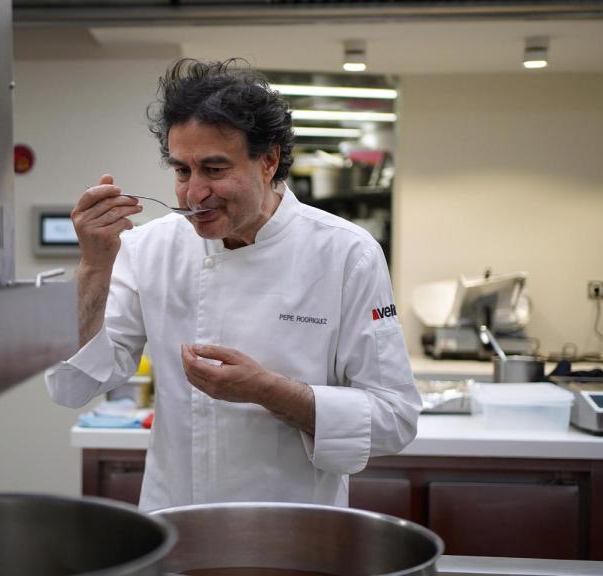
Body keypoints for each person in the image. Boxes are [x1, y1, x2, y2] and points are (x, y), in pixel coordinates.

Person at [46, 58, 420, 511]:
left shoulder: (346, 254)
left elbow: (394, 419)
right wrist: (93, 267)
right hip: (178, 521)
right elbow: (71, 387)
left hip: (295, 529)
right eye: (183, 171)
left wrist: (267, 390)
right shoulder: (149, 248)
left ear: (269, 160)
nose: (194, 193)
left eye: (215, 170)